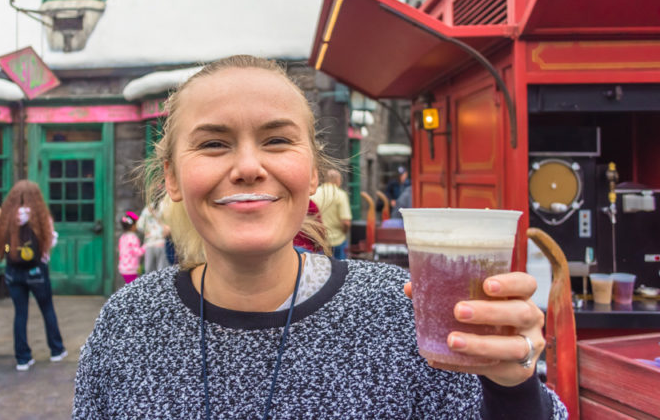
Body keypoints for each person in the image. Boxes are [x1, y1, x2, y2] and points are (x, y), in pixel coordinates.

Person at [74, 56, 566, 418]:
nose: (248, 167)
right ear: (173, 178)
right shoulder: (126, 325)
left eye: (277, 140)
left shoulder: (399, 313)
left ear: (312, 172)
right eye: (214, 144)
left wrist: (513, 387)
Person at [0, 180, 67, 371]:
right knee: (47, 309)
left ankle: (23, 359)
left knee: (20, 313)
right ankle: (56, 350)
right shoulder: (41, 217)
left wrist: (11, 250)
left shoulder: (7, 217)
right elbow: (50, 242)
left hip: (13, 272)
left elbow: (2, 243)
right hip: (36, 271)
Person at [312, 169, 352, 259]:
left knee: (322, 271)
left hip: (319, 241)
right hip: (337, 240)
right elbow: (346, 222)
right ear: (337, 180)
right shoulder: (340, 194)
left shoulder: (315, 194)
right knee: (340, 270)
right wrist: (344, 232)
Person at [136, 202, 170, 273]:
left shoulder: (147, 209)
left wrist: (148, 232)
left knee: (149, 272)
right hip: (162, 243)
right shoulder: (166, 206)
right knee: (162, 271)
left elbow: (140, 226)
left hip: (149, 244)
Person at [117, 210, 144, 284]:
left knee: (129, 285)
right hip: (131, 268)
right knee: (133, 286)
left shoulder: (123, 237)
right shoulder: (133, 238)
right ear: (132, 226)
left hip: (123, 267)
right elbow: (138, 252)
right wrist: (146, 246)